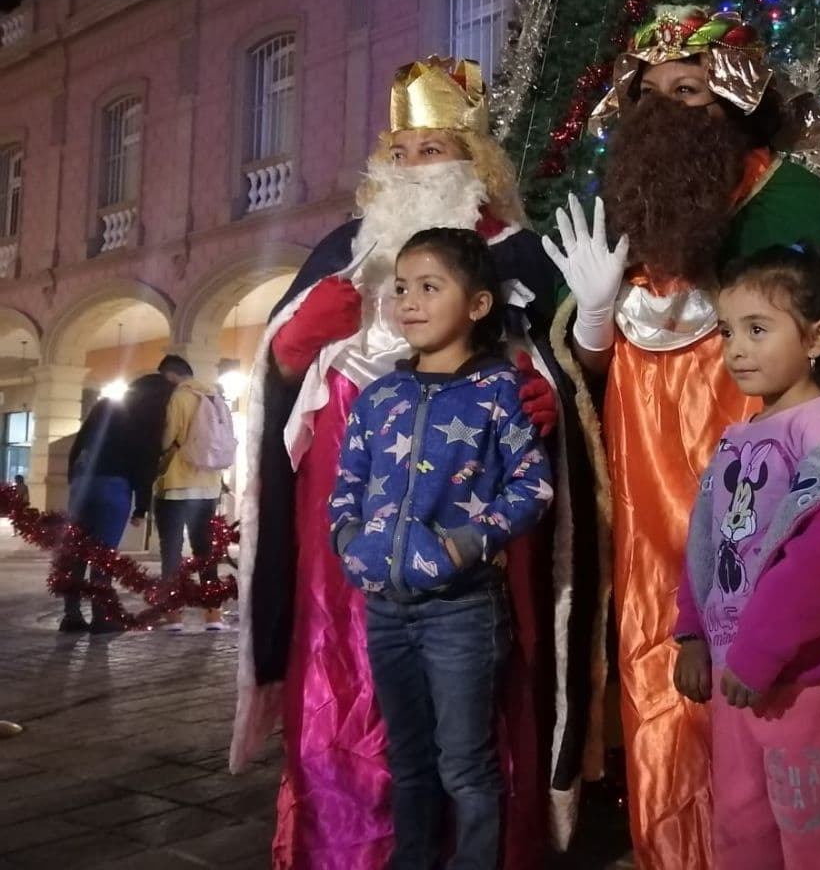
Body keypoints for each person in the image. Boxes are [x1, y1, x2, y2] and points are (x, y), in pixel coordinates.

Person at [232, 57, 599, 869]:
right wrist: (295, 342)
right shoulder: (344, 248)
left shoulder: (516, 254)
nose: (411, 165)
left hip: (468, 537)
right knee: (347, 677)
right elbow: (280, 365)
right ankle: (348, 843)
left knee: (472, 722)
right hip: (349, 522)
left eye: (432, 149)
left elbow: (566, 364)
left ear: (472, 160)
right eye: (399, 150)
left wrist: (545, 396)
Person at [545, 5, 820, 869]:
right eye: (654, 96)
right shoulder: (629, 208)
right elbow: (591, 376)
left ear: (737, 103)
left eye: (693, 91)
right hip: (646, 492)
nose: (671, 111)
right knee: (656, 652)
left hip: (754, 467)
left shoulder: (786, 195)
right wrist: (596, 316)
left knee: (759, 650)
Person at [672, 245, 820, 870]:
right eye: (727, 332)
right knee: (745, 829)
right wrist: (692, 633)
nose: (737, 349)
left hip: (810, 676)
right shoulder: (739, 437)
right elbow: (709, 539)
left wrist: (760, 652)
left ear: (817, 337)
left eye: (757, 329)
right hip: (737, 677)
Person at [329, 226, 553, 870]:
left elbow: (532, 487)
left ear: (478, 305)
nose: (411, 302)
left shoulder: (497, 392)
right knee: (408, 757)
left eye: (431, 287)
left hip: (462, 611)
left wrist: (461, 547)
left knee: (465, 761)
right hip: (385, 611)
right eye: (402, 288)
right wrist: (353, 544)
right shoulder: (379, 397)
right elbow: (347, 485)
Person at [61, 372, 173, 633]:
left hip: (83, 481)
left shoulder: (104, 406)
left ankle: (71, 615)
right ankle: (102, 618)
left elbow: (78, 445)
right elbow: (143, 466)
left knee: (77, 552)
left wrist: (74, 480)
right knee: (103, 555)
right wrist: (142, 507)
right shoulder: (148, 420)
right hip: (113, 487)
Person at [155, 354, 227, 632]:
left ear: (170, 375)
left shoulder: (179, 398)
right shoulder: (215, 397)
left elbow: (167, 438)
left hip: (176, 483)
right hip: (208, 486)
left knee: (171, 551)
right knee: (205, 552)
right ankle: (214, 616)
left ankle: (173, 616)